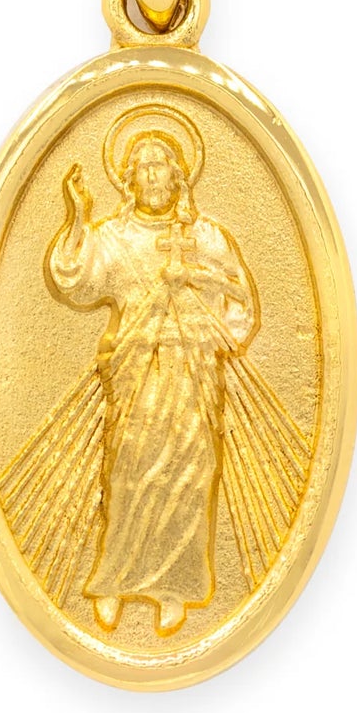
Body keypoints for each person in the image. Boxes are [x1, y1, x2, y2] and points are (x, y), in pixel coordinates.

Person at [48, 130, 256, 635]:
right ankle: (114, 582)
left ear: (178, 176)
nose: (152, 175)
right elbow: (74, 278)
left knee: (189, 476)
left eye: (160, 164)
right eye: (142, 167)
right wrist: (77, 217)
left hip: (191, 374)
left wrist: (201, 289)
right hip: (135, 374)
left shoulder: (206, 237)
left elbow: (240, 299)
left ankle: (174, 589)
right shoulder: (115, 238)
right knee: (129, 473)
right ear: (130, 181)